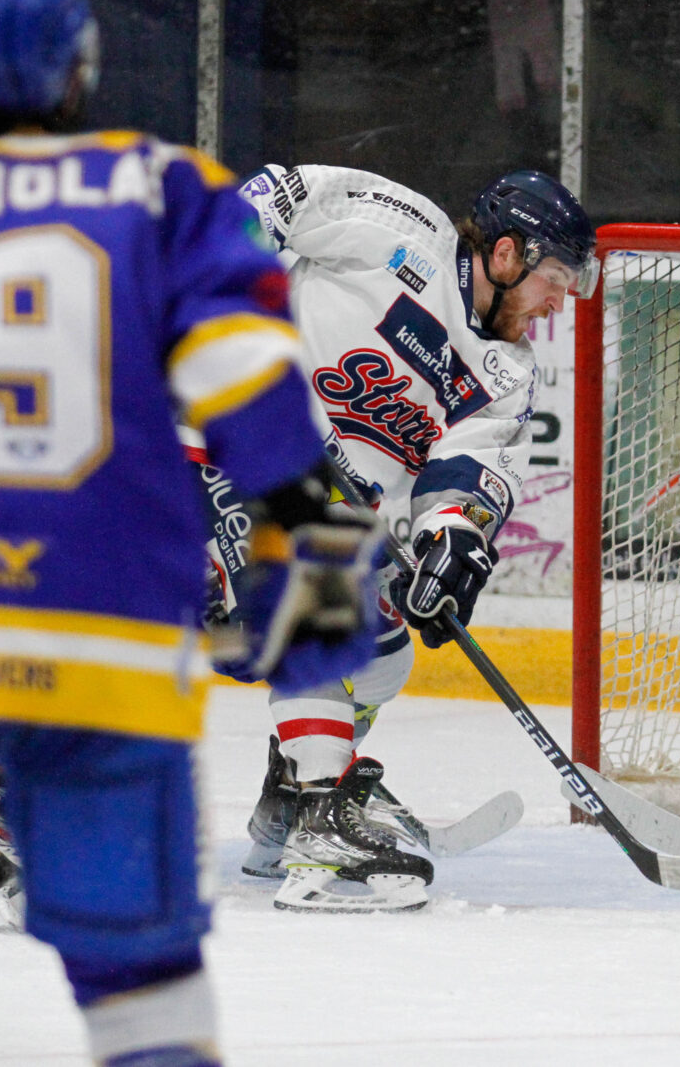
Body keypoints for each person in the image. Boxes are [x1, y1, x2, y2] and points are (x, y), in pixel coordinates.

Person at [0, 0, 379, 1066]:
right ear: (77, 75)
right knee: (143, 1004)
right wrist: (316, 607)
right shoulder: (159, 187)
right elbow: (263, 420)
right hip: (102, 643)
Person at [232, 160, 594, 911]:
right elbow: (277, 194)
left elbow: (466, 473)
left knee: (382, 650)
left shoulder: (506, 373)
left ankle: (294, 793)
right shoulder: (399, 227)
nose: (560, 301)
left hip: (298, 508)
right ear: (505, 254)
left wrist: (453, 542)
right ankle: (322, 824)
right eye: (554, 275)